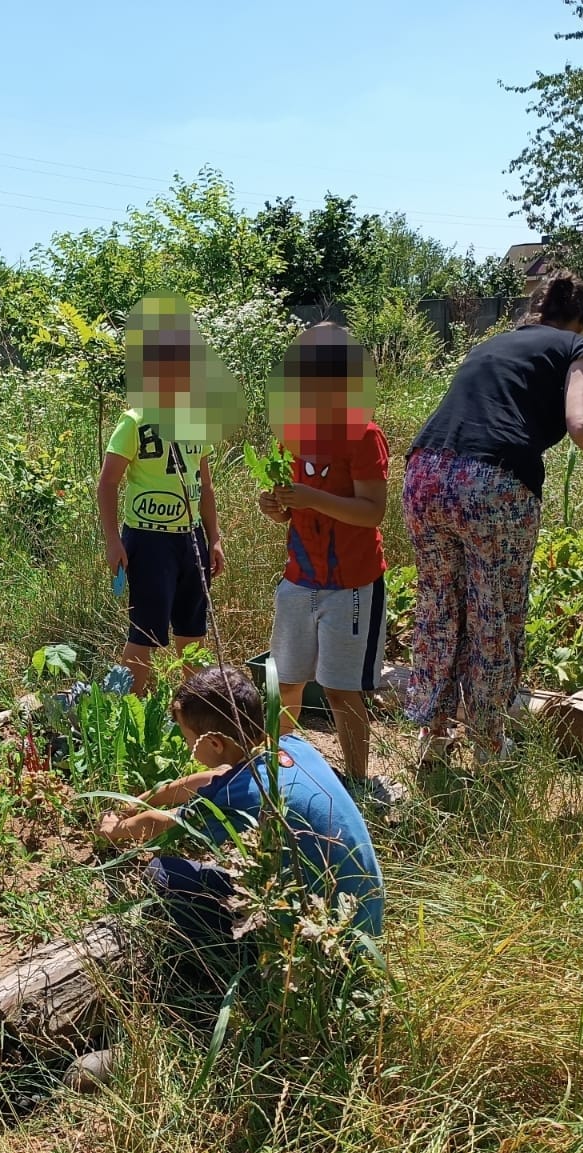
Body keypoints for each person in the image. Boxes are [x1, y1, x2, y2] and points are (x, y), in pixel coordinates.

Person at [402, 272, 583, 766]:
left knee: (439, 608)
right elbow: (582, 420)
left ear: (538, 310)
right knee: (494, 614)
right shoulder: (581, 348)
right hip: (494, 481)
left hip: (425, 470)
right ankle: (488, 745)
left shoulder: (496, 343)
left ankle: (433, 735)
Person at [98, 666, 383, 951]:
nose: (188, 747)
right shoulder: (291, 746)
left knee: (161, 872)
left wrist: (116, 830)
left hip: (324, 943)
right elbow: (215, 777)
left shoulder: (242, 796)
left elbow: (163, 824)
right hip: (363, 922)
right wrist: (144, 799)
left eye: (188, 739)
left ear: (213, 743)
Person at [257, 324, 396, 807]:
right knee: (287, 682)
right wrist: (278, 507)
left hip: (352, 585)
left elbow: (371, 510)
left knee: (341, 690)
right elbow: (293, 509)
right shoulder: (292, 433)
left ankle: (358, 782)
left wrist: (310, 496)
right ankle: (284, 775)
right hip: (299, 580)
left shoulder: (363, 433)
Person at [97, 325, 224, 696]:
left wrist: (214, 538)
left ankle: (197, 724)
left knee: (193, 638)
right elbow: (107, 483)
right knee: (144, 637)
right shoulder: (134, 420)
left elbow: (206, 485)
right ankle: (124, 721)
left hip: (190, 541)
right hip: (148, 541)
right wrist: (112, 541)